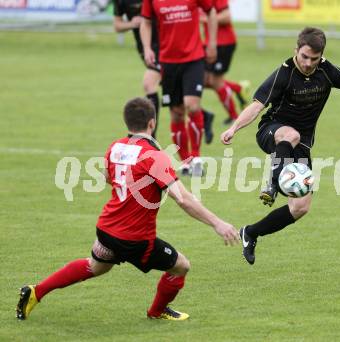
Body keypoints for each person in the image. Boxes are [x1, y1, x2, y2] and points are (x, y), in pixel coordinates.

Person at [16, 97, 239, 321]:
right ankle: (157, 311)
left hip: (106, 228)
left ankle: (37, 291)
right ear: (152, 123)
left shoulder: (116, 147)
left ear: (128, 123)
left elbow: (107, 177)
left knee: (96, 266)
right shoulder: (154, 156)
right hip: (135, 238)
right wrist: (218, 223)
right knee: (181, 266)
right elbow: (183, 199)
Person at [220, 27, 340, 265]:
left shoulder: (327, 72)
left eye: (314, 59)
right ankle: (273, 182)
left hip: (301, 145)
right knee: (291, 134)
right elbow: (257, 106)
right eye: (304, 57)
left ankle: (251, 232)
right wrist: (233, 128)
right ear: (296, 50)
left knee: (300, 207)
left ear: (321, 57)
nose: (308, 63)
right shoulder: (284, 74)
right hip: (272, 132)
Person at [140, 0, 218, 176]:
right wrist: (147, 48)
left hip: (194, 58)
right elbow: (145, 21)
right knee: (176, 113)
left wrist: (212, 42)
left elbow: (211, 11)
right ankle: (185, 161)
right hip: (168, 61)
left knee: (192, 105)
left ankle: (196, 158)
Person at [113, 0, 162, 138]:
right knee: (173, 90)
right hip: (145, 48)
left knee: (149, 84)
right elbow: (117, 25)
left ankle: (151, 136)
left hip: (164, 44)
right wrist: (132, 24)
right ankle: (203, 115)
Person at [201, 0, 250, 125]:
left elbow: (226, 17)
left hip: (223, 43)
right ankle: (238, 88)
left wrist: (207, 19)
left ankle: (234, 117)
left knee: (215, 81)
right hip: (209, 43)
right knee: (204, 80)